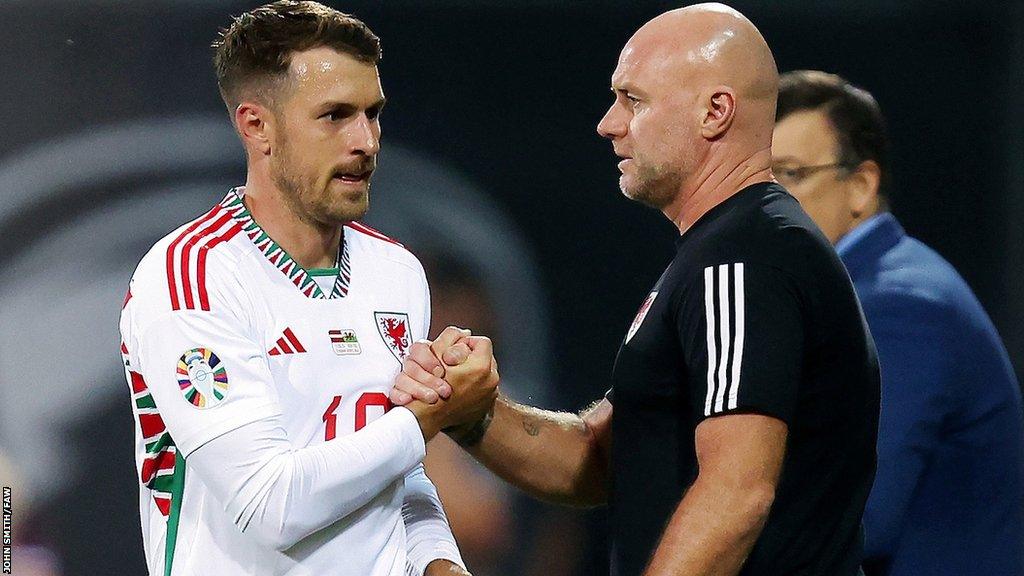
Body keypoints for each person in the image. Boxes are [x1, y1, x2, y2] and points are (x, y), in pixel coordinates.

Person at [392, 4, 880, 576]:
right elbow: (597, 459)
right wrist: (473, 413)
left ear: (715, 112)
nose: (609, 123)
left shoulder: (745, 258)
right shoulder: (718, 257)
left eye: (634, 100)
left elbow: (736, 493)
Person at [118, 2, 497, 575]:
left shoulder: (396, 273)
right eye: (335, 115)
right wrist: (426, 419)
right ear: (256, 126)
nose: (366, 140)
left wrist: (441, 564)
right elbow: (266, 504)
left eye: (373, 113)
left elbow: (400, 475)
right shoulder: (192, 276)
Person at [772, 70, 1024, 576]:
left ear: (861, 186)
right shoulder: (868, 289)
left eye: (791, 175)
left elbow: (858, 521)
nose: (766, 201)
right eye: (758, 180)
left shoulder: (897, 304)